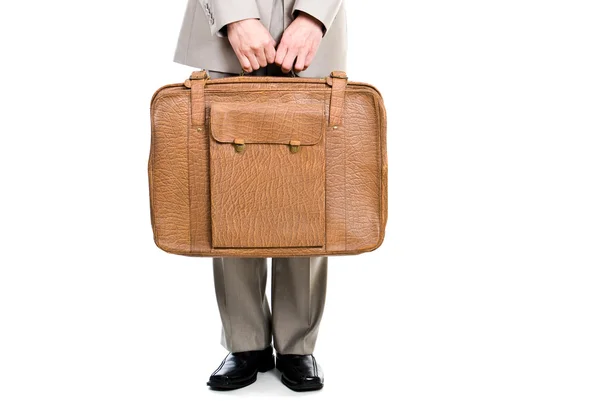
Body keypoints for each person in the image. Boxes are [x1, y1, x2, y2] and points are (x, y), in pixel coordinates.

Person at [173, 0, 347, 392]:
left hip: (312, 37)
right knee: (230, 185)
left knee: (305, 188)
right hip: (224, 28)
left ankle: (296, 345)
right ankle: (245, 342)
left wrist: (315, 15)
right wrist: (233, 15)